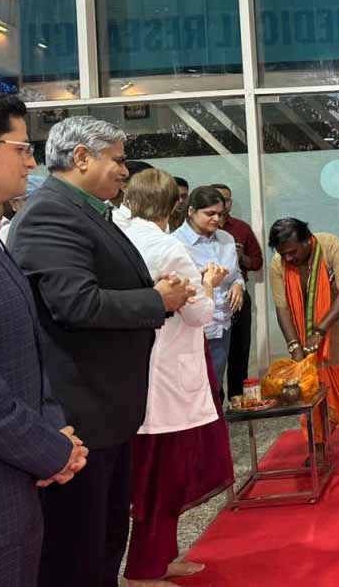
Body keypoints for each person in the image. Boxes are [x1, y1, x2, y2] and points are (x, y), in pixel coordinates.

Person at [7, 116, 193, 587]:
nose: (125, 171)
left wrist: (151, 293)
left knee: (105, 541)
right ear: (82, 157)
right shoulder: (50, 213)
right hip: (79, 414)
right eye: (118, 159)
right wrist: (156, 300)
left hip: (106, 411)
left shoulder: (87, 211)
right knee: (78, 552)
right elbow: (76, 303)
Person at [0, 88, 88, 587]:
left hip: (7, 493)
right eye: (22, 149)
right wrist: (51, 451)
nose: (32, 163)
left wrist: (54, 432)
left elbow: (24, 353)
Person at [113, 170, 234, 587]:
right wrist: (209, 284)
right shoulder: (166, 247)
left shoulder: (118, 237)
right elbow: (199, 313)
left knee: (153, 474)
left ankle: (162, 557)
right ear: (175, 206)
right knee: (164, 476)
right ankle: (145, 568)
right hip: (168, 376)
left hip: (134, 370)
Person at [268, 218, 339, 456]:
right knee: (314, 383)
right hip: (309, 329)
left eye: (292, 252)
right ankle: (318, 440)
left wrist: (320, 331)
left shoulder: (333, 246)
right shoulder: (278, 264)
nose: (288, 258)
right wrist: (294, 345)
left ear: (307, 240)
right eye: (283, 253)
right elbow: (282, 308)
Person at [174, 186, 244, 394]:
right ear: (191, 211)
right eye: (210, 213)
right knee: (193, 391)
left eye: (220, 214)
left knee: (214, 388)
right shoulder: (175, 243)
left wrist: (238, 284)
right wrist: (206, 280)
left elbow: (235, 273)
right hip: (193, 328)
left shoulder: (226, 238)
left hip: (222, 324)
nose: (216, 219)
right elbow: (177, 287)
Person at [212, 182, 264, 399]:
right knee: (214, 356)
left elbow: (257, 262)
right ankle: (216, 401)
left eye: (228, 199)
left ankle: (238, 400)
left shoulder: (241, 228)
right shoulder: (200, 230)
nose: (224, 204)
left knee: (239, 351)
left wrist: (239, 257)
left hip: (238, 294)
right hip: (210, 298)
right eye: (219, 199)